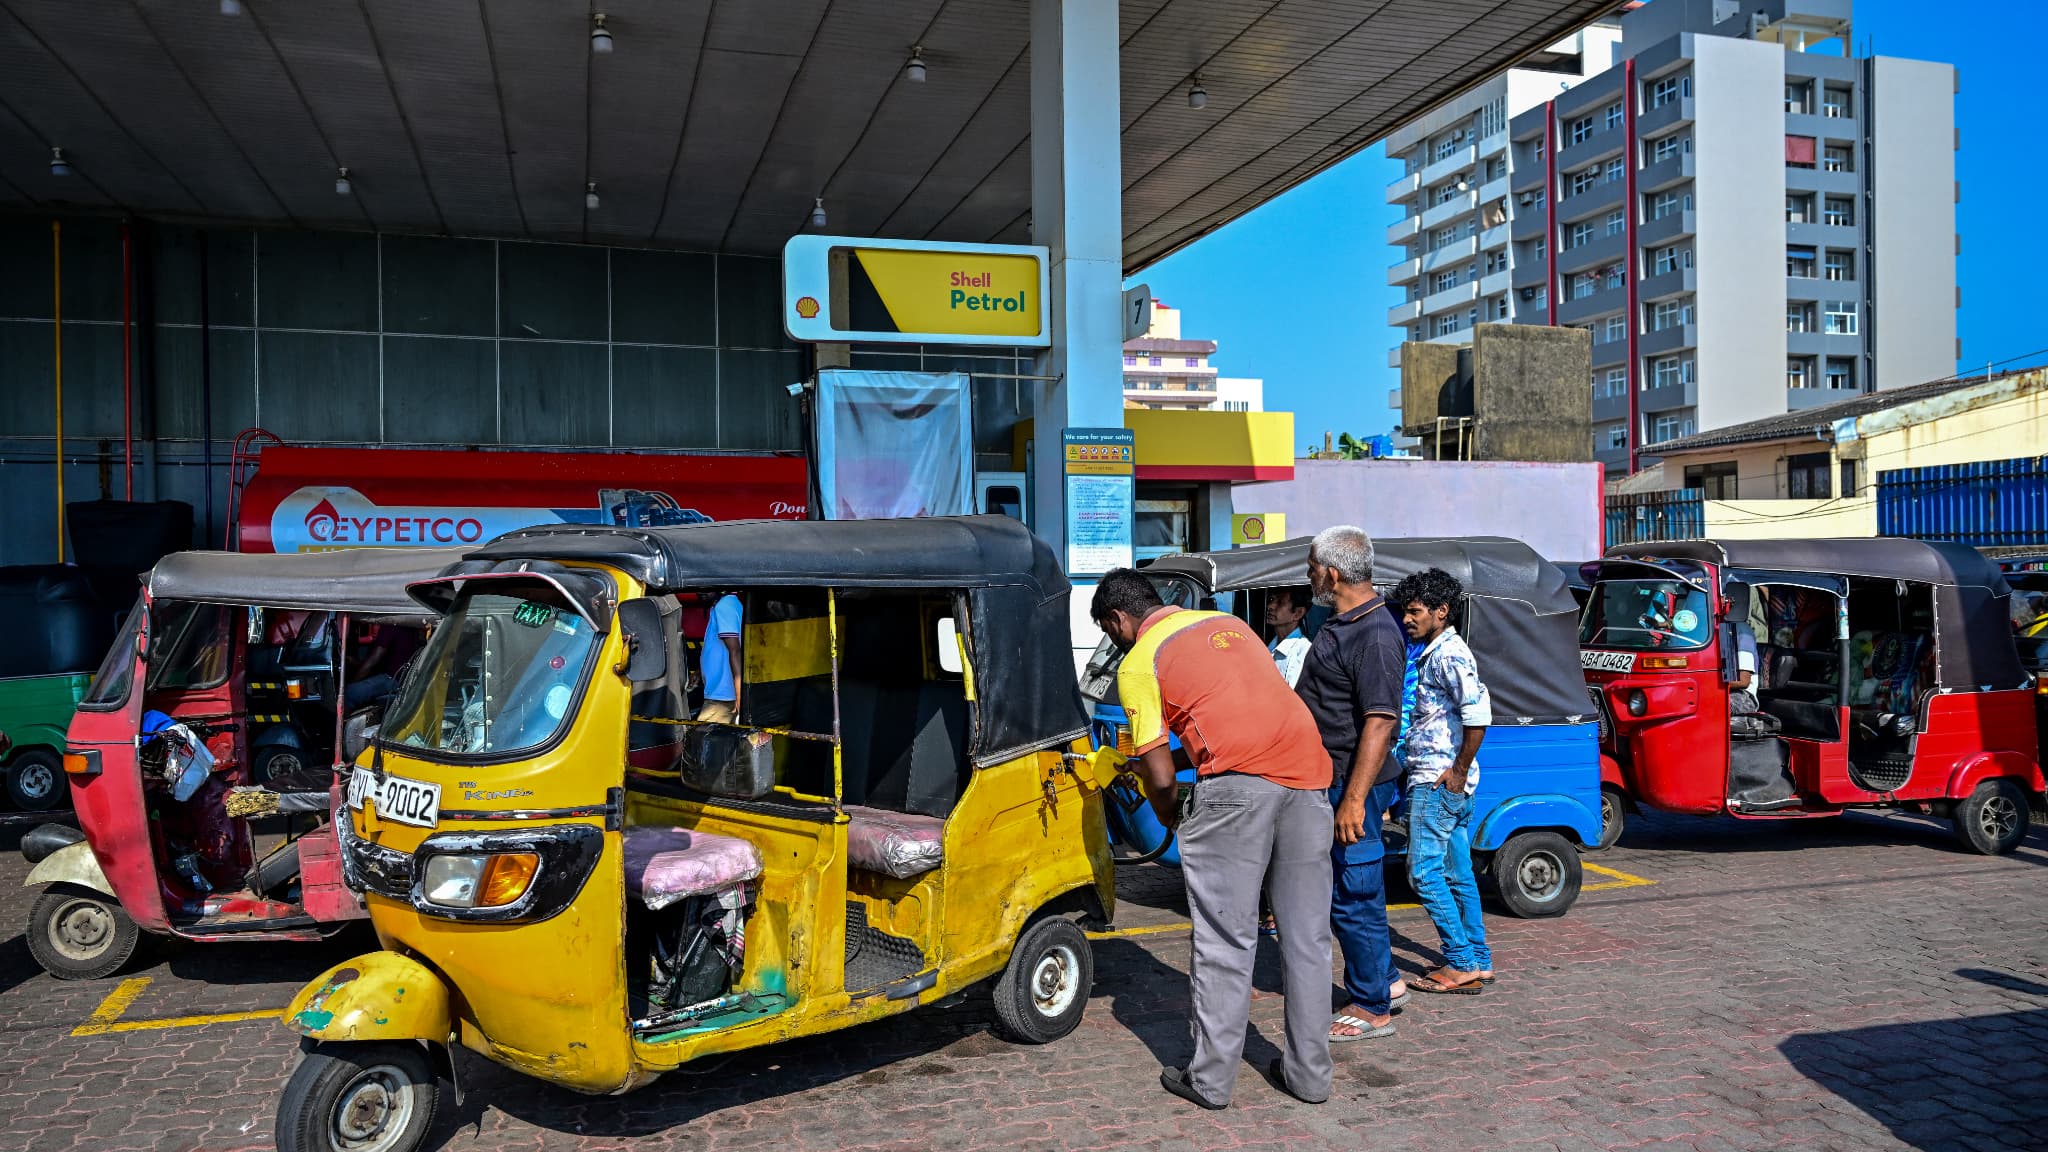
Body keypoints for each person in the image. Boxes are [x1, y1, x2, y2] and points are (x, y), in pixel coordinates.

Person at [1092, 569, 1335, 1109]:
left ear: (1117, 620)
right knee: (1307, 940)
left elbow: (1158, 773)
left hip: (1237, 796)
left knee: (1226, 942)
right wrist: (1164, 763)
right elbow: (1227, 721)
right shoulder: (1229, 624)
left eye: (1111, 633)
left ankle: (1211, 1081)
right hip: (1309, 779)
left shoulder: (1138, 662)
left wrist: (1171, 814)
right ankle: (1309, 1077)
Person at [1294, 526, 1408, 1043]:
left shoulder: (1376, 634)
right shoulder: (1340, 622)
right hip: (1332, 780)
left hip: (1351, 785)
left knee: (1354, 893)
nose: (1309, 575)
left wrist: (1355, 801)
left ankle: (1371, 1004)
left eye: (1312, 567)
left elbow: (1380, 723)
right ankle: (1385, 978)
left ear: (1333, 573)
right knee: (1348, 889)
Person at [1389, 568, 1493, 996]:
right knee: (1457, 874)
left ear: (1441, 611)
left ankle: (1462, 960)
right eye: (1406, 611)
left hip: (1438, 782)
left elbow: (1478, 714)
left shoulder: (1449, 654)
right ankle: (1479, 958)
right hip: (1442, 781)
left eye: (1415, 612)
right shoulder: (1433, 651)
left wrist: (1458, 770)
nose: (1408, 619)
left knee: (1423, 874)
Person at [698, 592, 743, 724]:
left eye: (706, 587)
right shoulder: (726, 604)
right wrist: (700, 672)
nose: (700, 592)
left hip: (722, 696)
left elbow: (735, 650)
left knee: (705, 738)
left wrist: (739, 696)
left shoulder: (724, 606)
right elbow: (719, 649)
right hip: (723, 692)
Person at [1266, 588, 1313, 688]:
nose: (1270, 606)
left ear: (1298, 613)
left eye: (1280, 602)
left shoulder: (1303, 652)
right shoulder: (1268, 647)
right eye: (1271, 600)